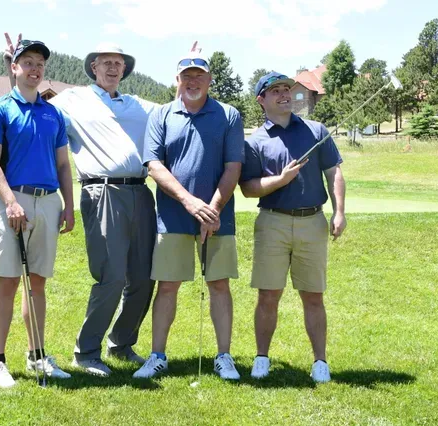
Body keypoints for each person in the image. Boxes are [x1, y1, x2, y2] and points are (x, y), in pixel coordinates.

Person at [3, 34, 158, 377]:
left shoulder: (138, 105)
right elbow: (26, 105)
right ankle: (86, 351)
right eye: (106, 62)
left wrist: (183, 78)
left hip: (141, 192)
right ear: (93, 67)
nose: (114, 68)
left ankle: (121, 342)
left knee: (145, 277)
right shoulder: (73, 100)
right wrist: (9, 65)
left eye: (119, 63)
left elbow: (175, 112)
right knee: (111, 276)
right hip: (101, 193)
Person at [133, 48, 245, 380]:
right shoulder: (162, 115)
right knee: (167, 285)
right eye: (186, 77)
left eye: (199, 76)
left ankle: (224, 357)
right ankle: (157, 356)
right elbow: (154, 165)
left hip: (217, 216)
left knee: (219, 285)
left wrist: (212, 209)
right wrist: (189, 203)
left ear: (210, 80)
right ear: (177, 81)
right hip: (173, 216)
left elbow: (233, 166)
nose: (193, 82)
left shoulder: (228, 115)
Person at [239, 71, 347, 383]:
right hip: (272, 222)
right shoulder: (255, 141)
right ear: (262, 100)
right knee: (268, 295)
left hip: (312, 221)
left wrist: (339, 212)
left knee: (313, 296)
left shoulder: (317, 131)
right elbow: (249, 188)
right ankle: (261, 358)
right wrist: (280, 180)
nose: (285, 95)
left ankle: (320, 362)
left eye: (287, 89)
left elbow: (334, 173)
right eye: (276, 91)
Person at [0, 39, 75, 388]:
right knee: (6, 282)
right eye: (28, 62)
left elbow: (64, 165)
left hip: (48, 201)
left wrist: (69, 205)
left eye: (40, 63)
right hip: (13, 201)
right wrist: (10, 202)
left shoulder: (53, 113)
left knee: (37, 284)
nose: (35, 68)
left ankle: (37, 357)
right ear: (14, 67)